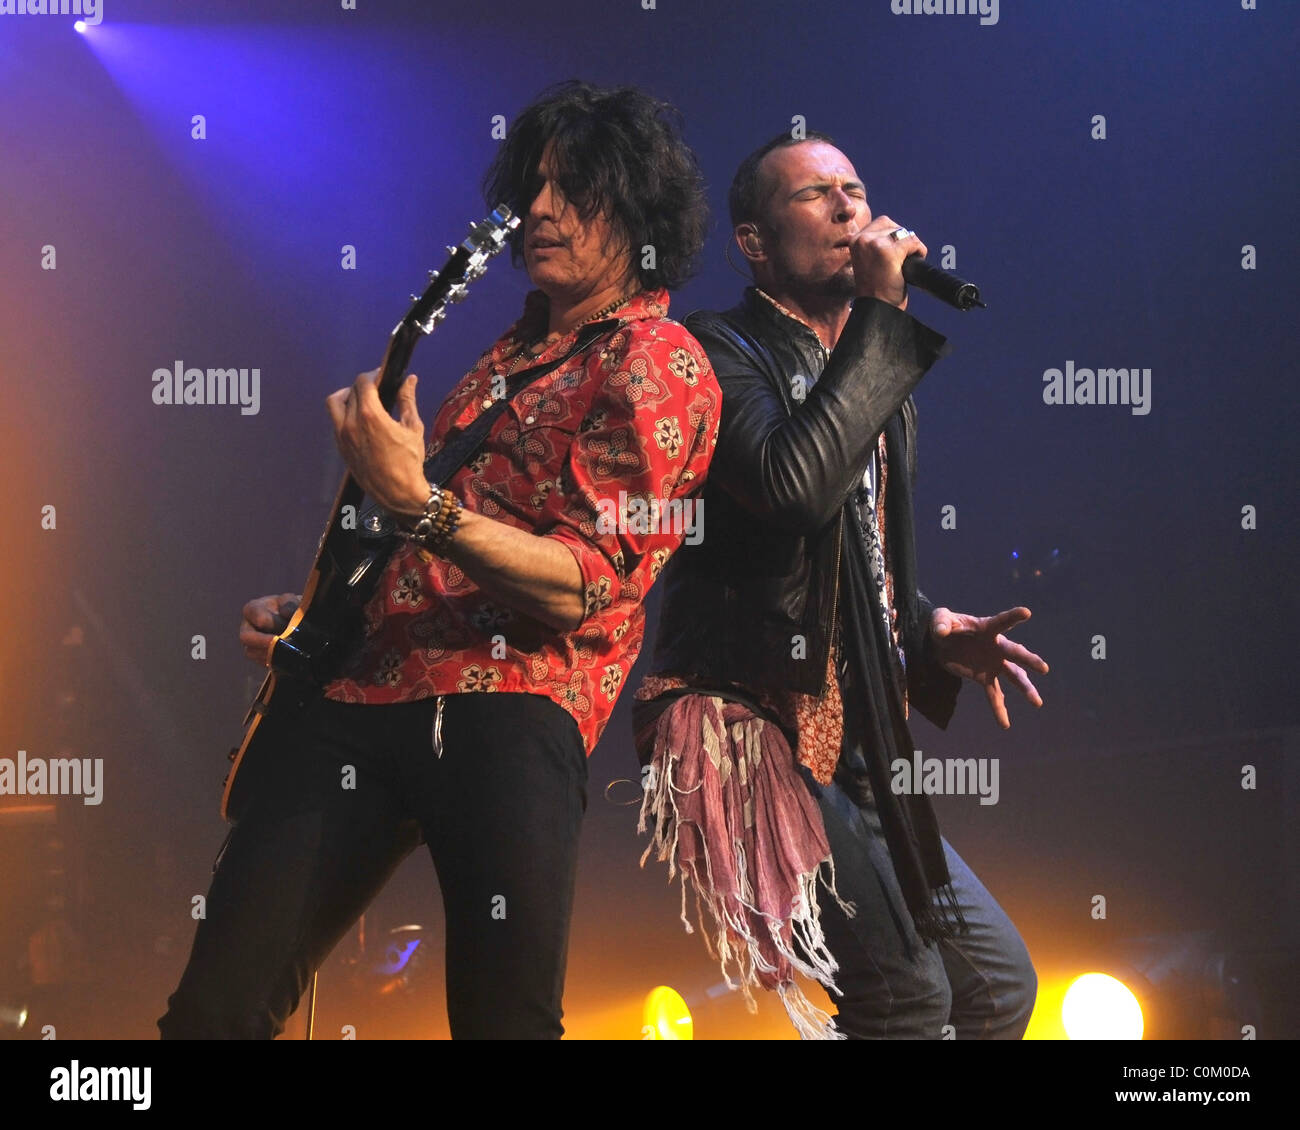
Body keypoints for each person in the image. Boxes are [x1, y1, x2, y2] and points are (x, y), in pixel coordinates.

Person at [158, 81, 720, 1040]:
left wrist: (417, 501)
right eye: (532, 183)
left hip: (506, 710)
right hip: (358, 700)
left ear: (634, 212)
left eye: (572, 187)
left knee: (505, 1023)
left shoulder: (660, 362)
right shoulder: (503, 358)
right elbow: (424, 539)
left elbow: (586, 582)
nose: (539, 208)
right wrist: (315, 613)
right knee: (211, 1013)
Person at [633, 130, 1048, 1039]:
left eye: (855, 188)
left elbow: (851, 549)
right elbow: (789, 487)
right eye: (815, 195)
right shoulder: (715, 347)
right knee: (905, 998)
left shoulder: (873, 367)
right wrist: (882, 318)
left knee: (999, 989)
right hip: (756, 716)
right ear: (754, 242)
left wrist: (928, 624)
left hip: (860, 734)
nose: (848, 207)